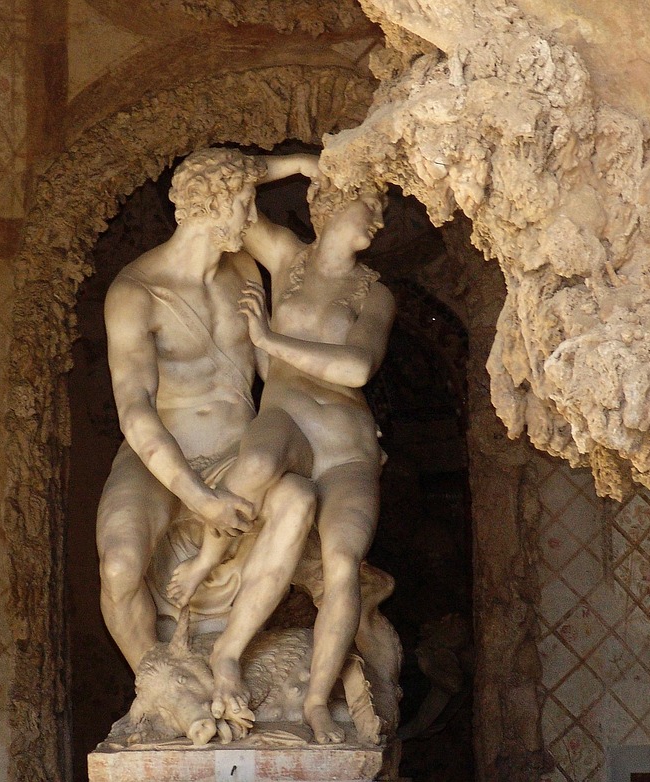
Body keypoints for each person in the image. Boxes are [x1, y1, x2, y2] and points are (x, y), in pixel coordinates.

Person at [169, 154, 397, 743]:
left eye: (380, 209)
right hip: (289, 422)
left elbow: (356, 368)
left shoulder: (378, 296)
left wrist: (269, 339)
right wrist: (299, 162)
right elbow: (224, 194)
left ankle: (319, 701)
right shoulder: (287, 258)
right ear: (326, 205)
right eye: (364, 204)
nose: (375, 218)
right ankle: (206, 567)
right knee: (261, 463)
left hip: (347, 447)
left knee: (343, 561)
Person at [96, 149, 317, 741]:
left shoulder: (243, 270)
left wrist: (295, 164)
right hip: (159, 460)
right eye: (245, 206)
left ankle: (224, 663)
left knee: (295, 496)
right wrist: (197, 497)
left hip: (239, 454)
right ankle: (162, 686)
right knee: (119, 565)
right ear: (216, 207)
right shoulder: (136, 292)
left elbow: (277, 374)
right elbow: (135, 411)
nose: (253, 220)